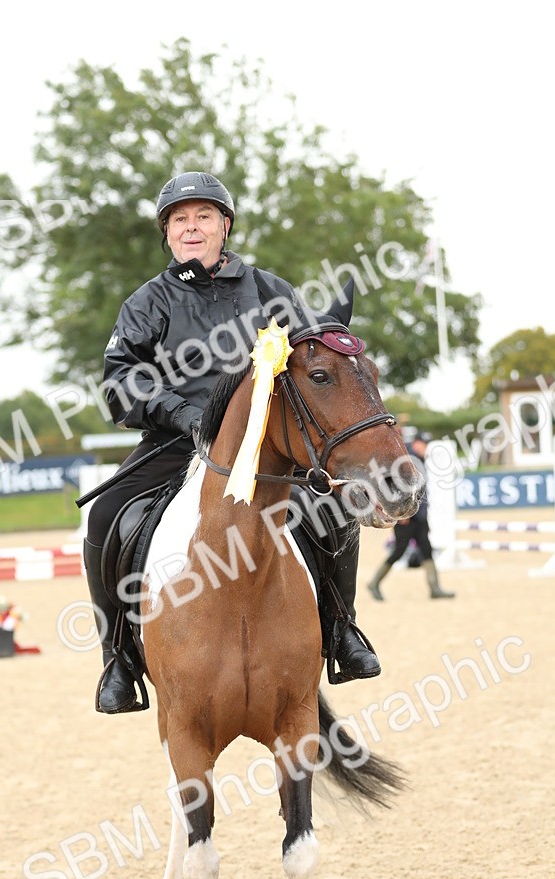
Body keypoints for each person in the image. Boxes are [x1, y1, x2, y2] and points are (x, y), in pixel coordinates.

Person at [85, 170, 381, 714]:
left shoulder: (271, 291)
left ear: (225, 226)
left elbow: (310, 355)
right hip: (177, 441)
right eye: (179, 219)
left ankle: (342, 630)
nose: (190, 228)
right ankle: (119, 659)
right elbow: (121, 378)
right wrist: (185, 414)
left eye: (202, 217)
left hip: (266, 447)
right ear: (167, 233)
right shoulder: (146, 303)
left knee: (333, 510)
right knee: (106, 515)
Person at [366, 432, 455, 601]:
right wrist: (399, 513)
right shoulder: (406, 460)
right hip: (406, 517)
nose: (426, 447)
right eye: (423, 444)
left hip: (420, 515)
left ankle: (434, 587)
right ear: (415, 443)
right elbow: (395, 485)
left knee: (426, 549)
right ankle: (374, 582)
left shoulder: (420, 459)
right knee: (399, 551)